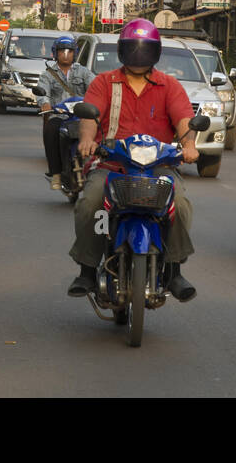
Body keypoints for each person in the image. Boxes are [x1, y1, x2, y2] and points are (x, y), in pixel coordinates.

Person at [70, 18, 199, 302]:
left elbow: (183, 120)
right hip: (113, 165)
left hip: (159, 168)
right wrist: (87, 140)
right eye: (133, 47)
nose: (139, 54)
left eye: (145, 48)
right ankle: (87, 269)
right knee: (90, 204)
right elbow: (90, 117)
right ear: (122, 50)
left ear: (155, 52)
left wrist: (189, 145)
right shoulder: (104, 83)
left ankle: (174, 270)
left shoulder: (169, 86)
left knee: (182, 205)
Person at [35, 35, 94, 189]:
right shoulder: (47, 74)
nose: (66, 54)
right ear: (56, 53)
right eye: (62, 51)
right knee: (50, 130)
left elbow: (96, 88)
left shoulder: (83, 71)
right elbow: (42, 92)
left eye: (69, 51)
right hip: (60, 114)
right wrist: (45, 103)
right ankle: (55, 174)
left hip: (81, 115)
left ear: (75, 53)